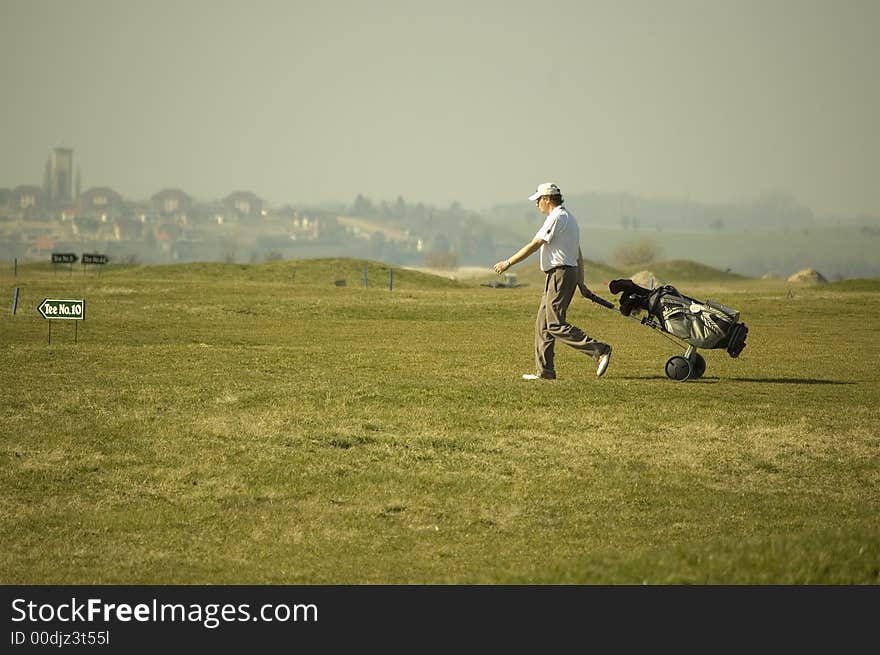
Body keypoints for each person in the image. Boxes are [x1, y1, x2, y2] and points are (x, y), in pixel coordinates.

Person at [493, 182, 612, 380]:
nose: (536, 203)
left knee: (555, 324)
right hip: (560, 274)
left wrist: (508, 262)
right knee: (543, 324)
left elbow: (536, 243)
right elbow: (578, 253)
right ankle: (545, 372)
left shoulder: (557, 217)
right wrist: (580, 282)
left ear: (547, 199)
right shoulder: (568, 218)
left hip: (561, 274)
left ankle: (599, 350)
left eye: (538, 199)